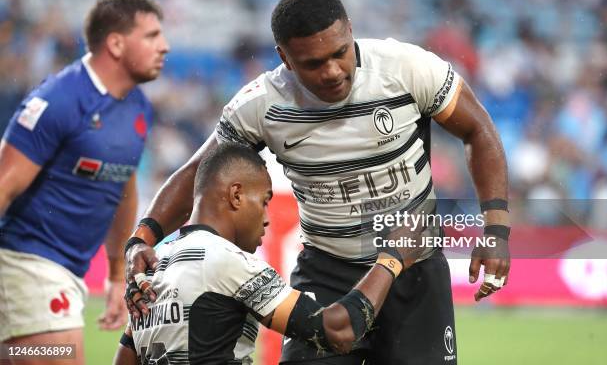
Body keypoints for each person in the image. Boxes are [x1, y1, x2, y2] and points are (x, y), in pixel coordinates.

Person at [125, 0, 510, 365]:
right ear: (285, 58)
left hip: (415, 270)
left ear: (350, 31)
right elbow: (200, 172)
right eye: (312, 63)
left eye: (339, 53)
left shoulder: (407, 68)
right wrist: (141, 239)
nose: (331, 71)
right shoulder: (261, 105)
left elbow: (479, 130)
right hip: (327, 272)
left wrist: (496, 229)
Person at [114, 142, 421, 365]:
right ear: (236, 195)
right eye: (263, 201)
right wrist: (391, 260)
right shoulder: (228, 263)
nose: (266, 217)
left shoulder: (154, 268)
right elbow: (338, 330)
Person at [0, 0, 169, 364]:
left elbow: (123, 191)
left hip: (70, 271)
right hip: (28, 262)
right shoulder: (58, 100)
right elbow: (3, 184)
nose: (165, 46)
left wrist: (115, 274)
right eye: (152, 36)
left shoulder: (137, 106)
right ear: (116, 43)